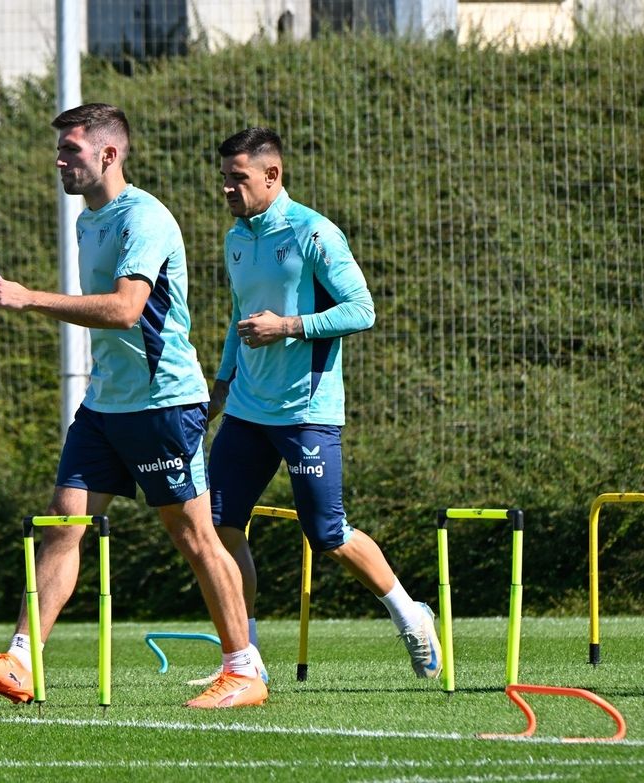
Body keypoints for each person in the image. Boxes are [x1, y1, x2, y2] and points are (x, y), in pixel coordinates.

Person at [0, 103, 267, 708]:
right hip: (106, 404)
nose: (61, 161)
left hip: (161, 403)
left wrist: (28, 299)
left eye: (71, 150)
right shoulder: (88, 220)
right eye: (59, 151)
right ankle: (20, 660)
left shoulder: (143, 219)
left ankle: (243, 668)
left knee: (195, 535)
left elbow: (125, 308)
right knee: (62, 521)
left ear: (108, 154)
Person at [197, 127, 442, 685]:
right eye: (224, 180)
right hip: (247, 411)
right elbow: (239, 319)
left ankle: (412, 616)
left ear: (272, 175)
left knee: (327, 533)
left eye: (238, 179)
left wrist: (288, 326)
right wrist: (220, 387)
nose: (228, 190)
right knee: (218, 525)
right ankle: (244, 657)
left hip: (307, 411)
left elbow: (362, 310)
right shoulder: (236, 238)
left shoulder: (314, 232)